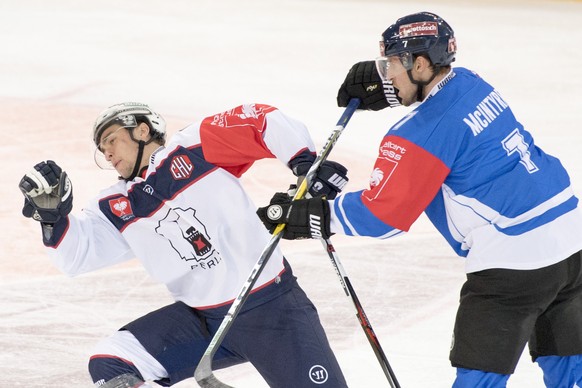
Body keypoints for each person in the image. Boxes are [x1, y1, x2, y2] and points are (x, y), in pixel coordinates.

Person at [257, 11, 582, 388]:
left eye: (391, 63)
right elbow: (445, 132)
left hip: (515, 262)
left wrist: (316, 215)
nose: (385, 73)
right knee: (570, 365)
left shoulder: (416, 135)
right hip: (571, 240)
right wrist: (393, 90)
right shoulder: (471, 82)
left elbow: (385, 216)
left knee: (480, 378)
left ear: (421, 64)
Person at [18, 102, 351, 387]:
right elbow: (76, 256)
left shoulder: (193, 147)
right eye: (102, 149)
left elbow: (260, 120)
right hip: (199, 324)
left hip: (272, 310)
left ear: (143, 130)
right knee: (112, 361)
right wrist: (52, 219)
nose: (106, 152)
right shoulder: (116, 204)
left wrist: (306, 163)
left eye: (112, 139)